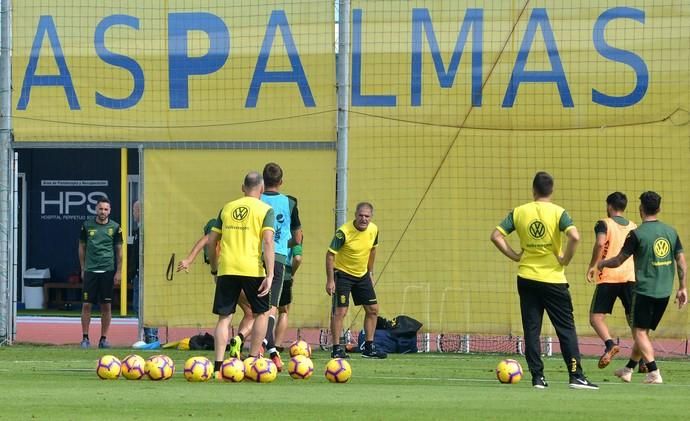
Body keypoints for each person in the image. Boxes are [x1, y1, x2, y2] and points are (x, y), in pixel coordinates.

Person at [490, 171, 597, 389]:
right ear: (552, 190)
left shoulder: (520, 211)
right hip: (553, 279)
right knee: (565, 328)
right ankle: (576, 376)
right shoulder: (559, 212)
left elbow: (496, 235)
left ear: (533, 190)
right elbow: (575, 236)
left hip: (526, 277)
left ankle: (538, 378)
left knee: (532, 329)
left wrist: (515, 255)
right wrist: (565, 259)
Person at [598, 191, 687, 384]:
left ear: (640, 210)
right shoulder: (671, 232)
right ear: (659, 208)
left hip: (644, 291)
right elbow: (681, 261)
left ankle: (654, 372)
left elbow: (619, 260)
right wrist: (682, 287)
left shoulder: (636, 234)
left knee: (638, 331)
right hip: (664, 292)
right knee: (643, 332)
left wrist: (602, 263)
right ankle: (628, 369)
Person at [207, 171, 275, 379]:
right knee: (261, 312)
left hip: (227, 267)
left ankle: (218, 367)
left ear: (242, 187)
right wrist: (270, 274)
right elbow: (268, 242)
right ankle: (253, 362)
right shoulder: (265, 209)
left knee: (224, 318)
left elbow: (212, 242)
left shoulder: (227, 208)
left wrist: (214, 268)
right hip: (252, 268)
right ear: (262, 188)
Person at [177, 218, 254, 359]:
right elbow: (206, 239)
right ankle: (240, 341)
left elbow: (206, 240)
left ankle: (235, 350)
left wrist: (189, 260)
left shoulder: (223, 226)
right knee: (256, 313)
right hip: (233, 272)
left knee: (244, 313)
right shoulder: (228, 227)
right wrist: (189, 259)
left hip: (221, 275)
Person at [326, 202, 386, 359]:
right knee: (341, 312)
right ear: (355, 215)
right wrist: (330, 280)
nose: (363, 219)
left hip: (362, 275)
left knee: (373, 309)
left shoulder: (374, 230)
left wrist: (370, 273)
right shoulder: (343, 232)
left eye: (367, 216)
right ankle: (337, 348)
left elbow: (372, 250)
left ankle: (368, 347)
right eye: (361, 215)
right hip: (343, 275)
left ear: (371, 217)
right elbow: (330, 255)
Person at [259, 163, 303, 371]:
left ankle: (256, 345)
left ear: (262, 181)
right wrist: (283, 245)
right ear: (281, 182)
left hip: (253, 257)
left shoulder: (255, 200)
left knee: (253, 307)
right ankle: (266, 345)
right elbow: (298, 237)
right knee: (274, 306)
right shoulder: (290, 203)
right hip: (278, 258)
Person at [585, 192, 636, 369]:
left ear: (609, 206)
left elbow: (600, 244)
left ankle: (610, 344)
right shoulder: (633, 226)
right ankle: (644, 358)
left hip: (608, 276)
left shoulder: (603, 223)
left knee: (596, 318)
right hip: (630, 277)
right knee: (635, 321)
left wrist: (594, 265)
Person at [78, 197, 123, 349]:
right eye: (100, 208)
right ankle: (85, 338)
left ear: (109, 211)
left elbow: (119, 251)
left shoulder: (116, 227)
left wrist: (119, 271)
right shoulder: (87, 226)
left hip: (107, 271)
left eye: (105, 209)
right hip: (90, 271)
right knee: (86, 305)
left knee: (106, 306)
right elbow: (82, 247)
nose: (103, 211)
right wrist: (83, 268)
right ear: (96, 209)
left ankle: (103, 339)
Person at [128, 200, 159, 344]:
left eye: (135, 210)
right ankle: (148, 336)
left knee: (147, 306)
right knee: (137, 307)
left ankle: (151, 337)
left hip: (148, 276)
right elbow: (134, 256)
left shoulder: (149, 231)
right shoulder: (137, 231)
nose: (134, 213)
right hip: (137, 275)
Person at [274, 240, 304, 350]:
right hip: (283, 272)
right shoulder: (295, 232)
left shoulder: (268, 224)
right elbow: (297, 258)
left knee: (261, 312)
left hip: (264, 270)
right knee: (283, 311)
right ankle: (276, 346)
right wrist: (291, 273)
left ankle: (260, 346)